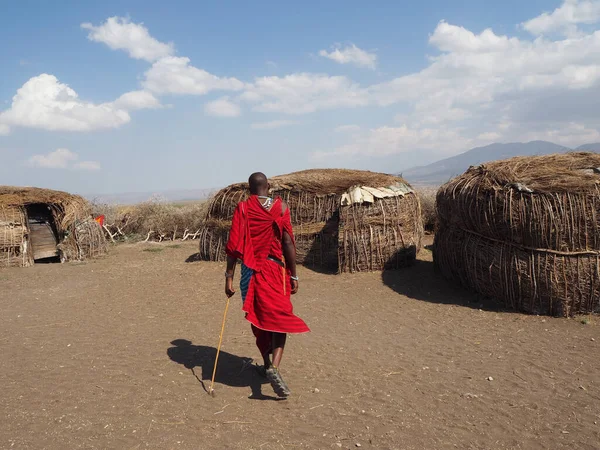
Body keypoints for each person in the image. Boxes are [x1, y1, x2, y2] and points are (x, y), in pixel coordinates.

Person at [224, 172, 310, 397]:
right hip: (275, 272)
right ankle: (274, 366)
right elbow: (288, 242)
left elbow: (233, 245)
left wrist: (229, 277)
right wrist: (294, 275)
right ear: (268, 187)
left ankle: (265, 364)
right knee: (280, 318)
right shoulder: (281, 208)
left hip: (249, 273)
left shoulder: (243, 208)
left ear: (249, 188)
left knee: (259, 320)